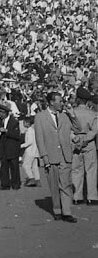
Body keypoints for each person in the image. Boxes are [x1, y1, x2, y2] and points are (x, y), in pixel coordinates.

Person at [34, 91, 80, 222]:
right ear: (51, 102)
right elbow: (39, 139)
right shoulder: (40, 117)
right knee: (54, 185)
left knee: (65, 184)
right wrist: (44, 156)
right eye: (59, 101)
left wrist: (72, 114)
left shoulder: (65, 116)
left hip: (65, 156)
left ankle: (67, 212)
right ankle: (57, 210)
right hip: (51, 155)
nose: (62, 103)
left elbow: (78, 129)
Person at [71, 86, 98, 205]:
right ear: (87, 100)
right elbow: (95, 130)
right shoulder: (92, 114)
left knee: (76, 170)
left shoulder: (72, 112)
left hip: (75, 142)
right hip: (89, 142)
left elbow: (68, 129)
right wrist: (86, 139)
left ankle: (77, 196)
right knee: (91, 170)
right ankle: (92, 196)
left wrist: (76, 139)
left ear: (77, 99)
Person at [0, 101, 21, 190]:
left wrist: (6, 131)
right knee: (4, 167)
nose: (0, 114)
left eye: (2, 112)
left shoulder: (14, 121)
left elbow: (17, 135)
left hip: (12, 147)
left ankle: (16, 184)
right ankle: (4, 184)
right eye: (0, 112)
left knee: (14, 167)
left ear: (7, 112)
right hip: (3, 147)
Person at [21, 116, 40, 187]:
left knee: (26, 165)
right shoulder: (33, 130)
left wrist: (21, 146)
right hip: (35, 151)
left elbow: (29, 142)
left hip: (30, 151)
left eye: (24, 122)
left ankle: (31, 178)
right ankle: (38, 180)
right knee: (34, 166)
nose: (23, 124)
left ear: (27, 123)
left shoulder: (29, 131)